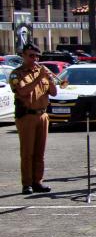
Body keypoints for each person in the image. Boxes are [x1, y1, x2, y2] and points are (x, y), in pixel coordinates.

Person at [9, 43, 56, 194]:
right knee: (27, 151)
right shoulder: (17, 74)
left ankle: (38, 181)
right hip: (27, 116)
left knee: (40, 152)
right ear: (23, 55)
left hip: (42, 115)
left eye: (37, 56)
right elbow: (22, 91)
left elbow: (53, 93)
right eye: (31, 55)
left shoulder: (41, 72)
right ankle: (27, 183)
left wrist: (51, 79)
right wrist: (39, 78)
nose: (34, 59)